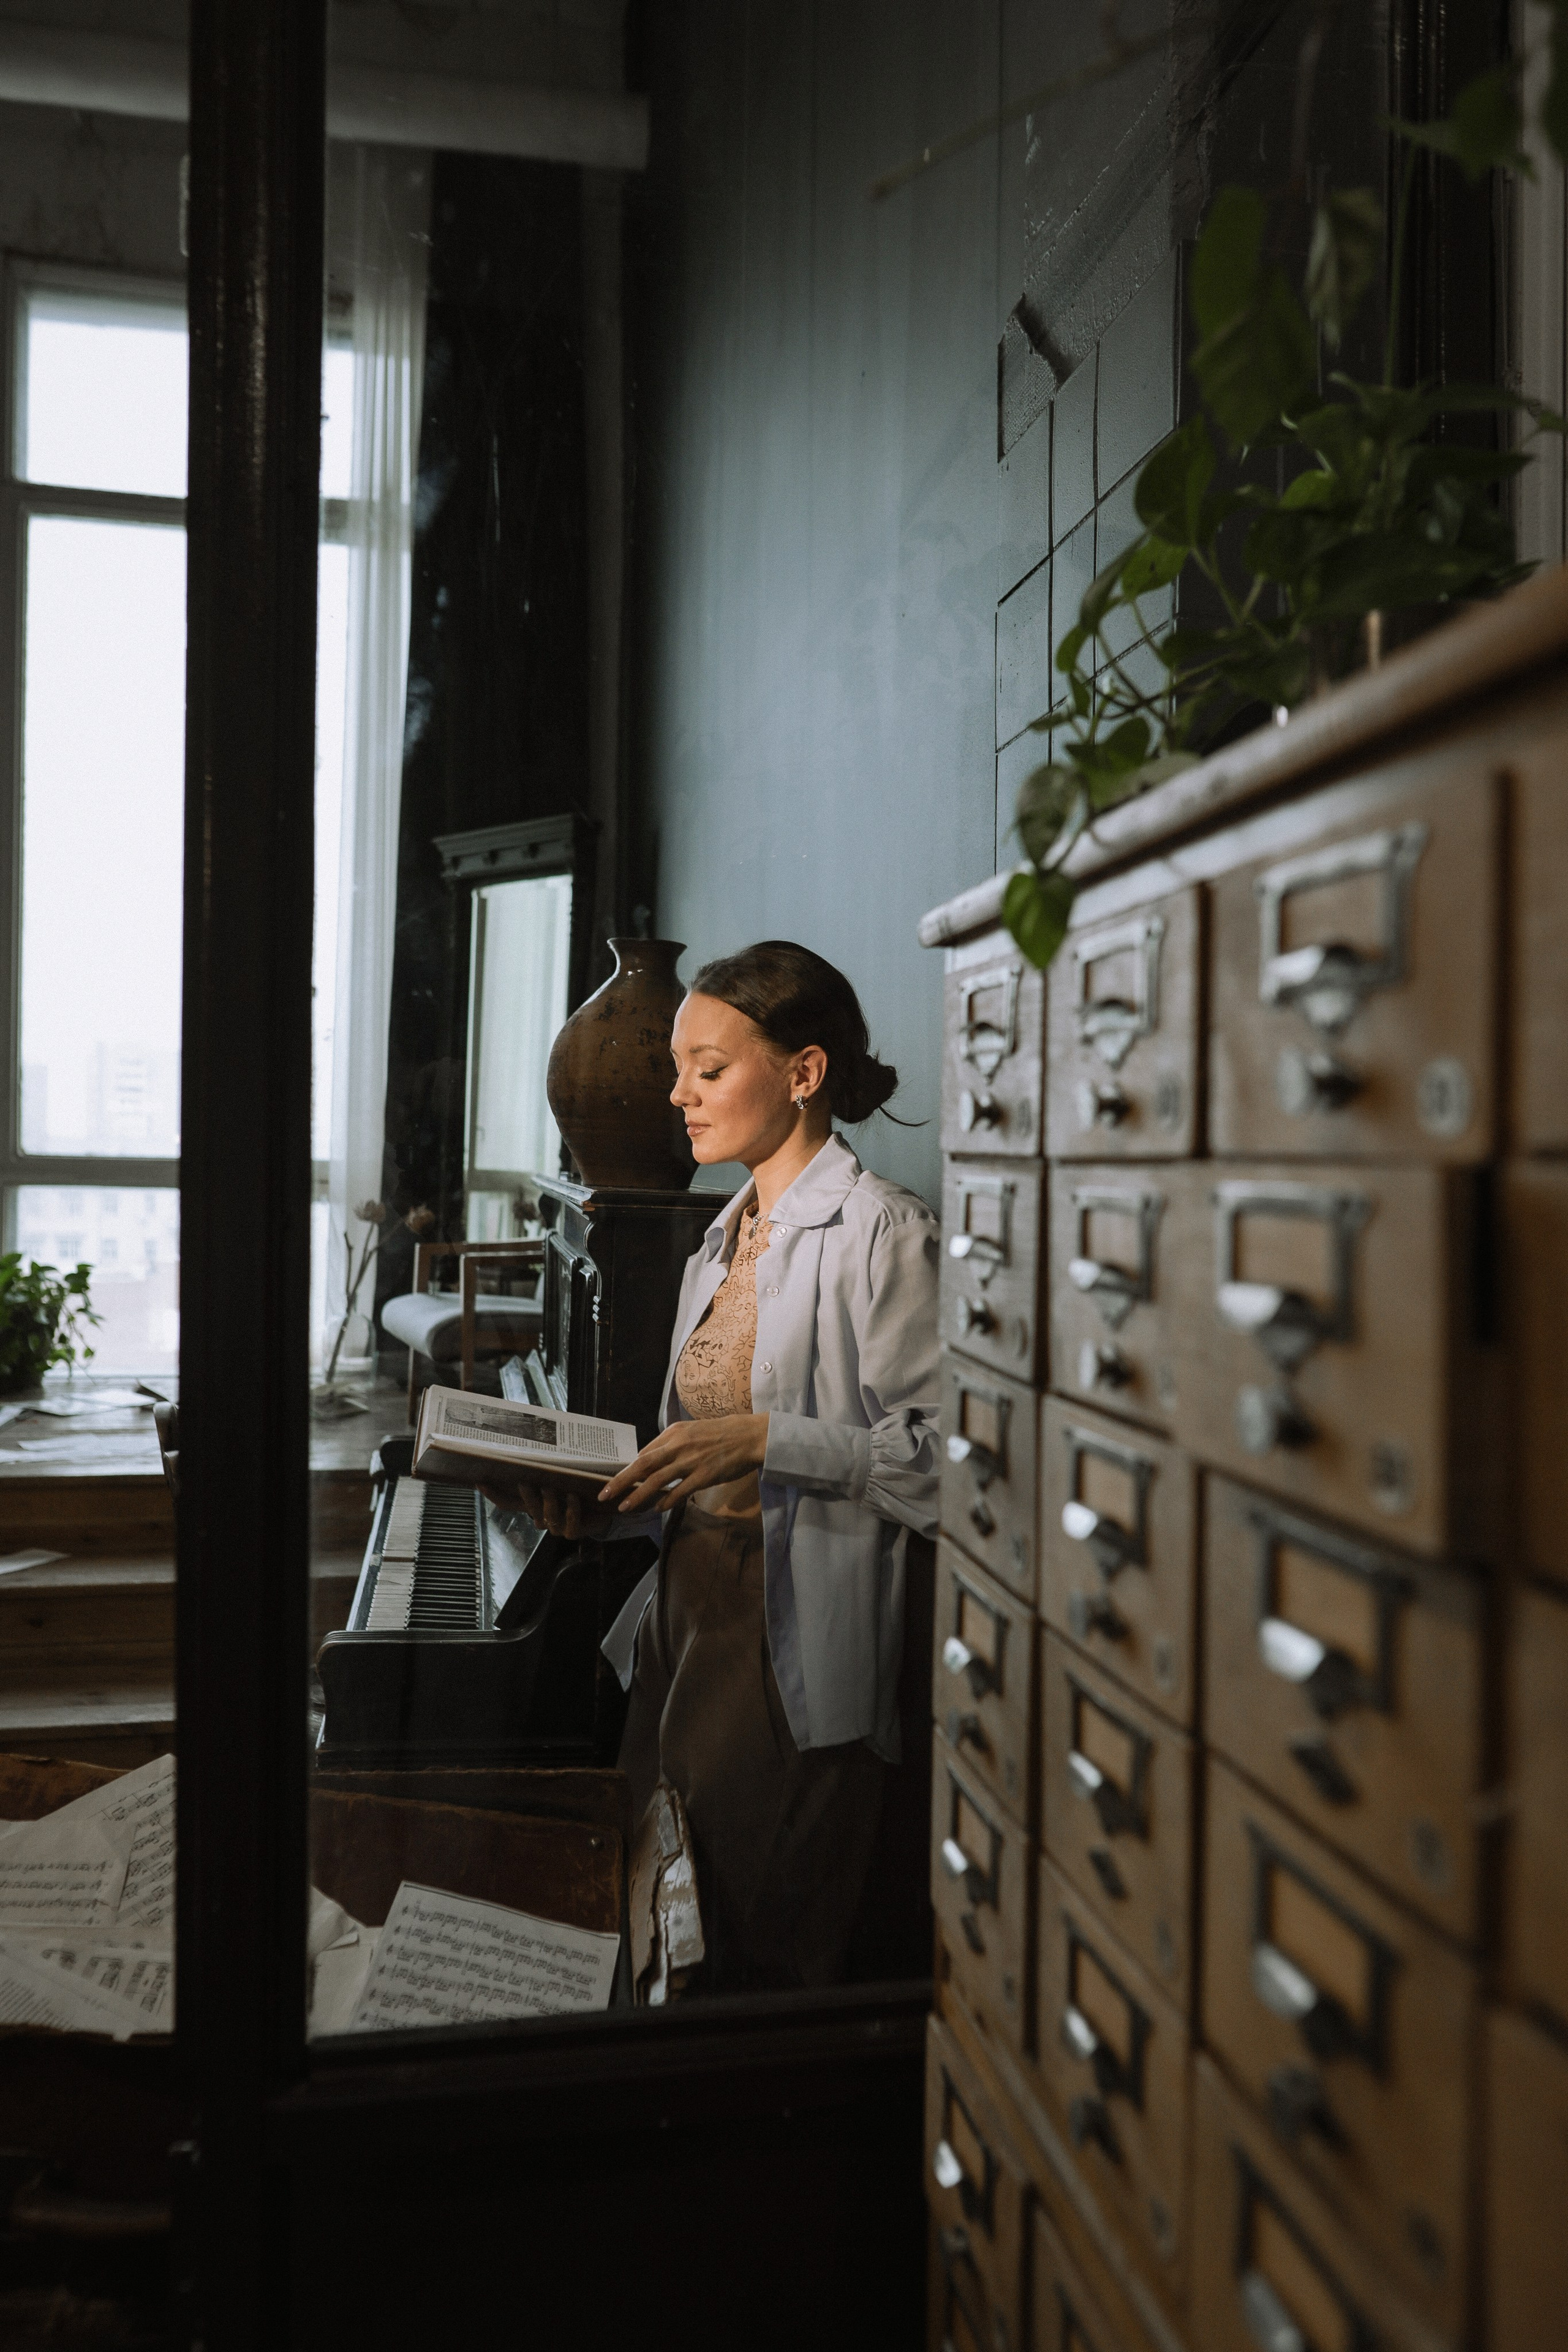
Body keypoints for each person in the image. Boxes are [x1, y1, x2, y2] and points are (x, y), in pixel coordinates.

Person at [497, 940, 940, 1991]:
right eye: (677, 1069)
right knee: (668, 1893)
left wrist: (763, 1439)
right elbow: (689, 1451)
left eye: (709, 1068)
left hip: (785, 1628)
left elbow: (946, 1465)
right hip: (686, 1610)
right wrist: (602, 1505)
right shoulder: (721, 1238)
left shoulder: (885, 1234)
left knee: (763, 1925)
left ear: (804, 1073)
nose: (679, 1095)